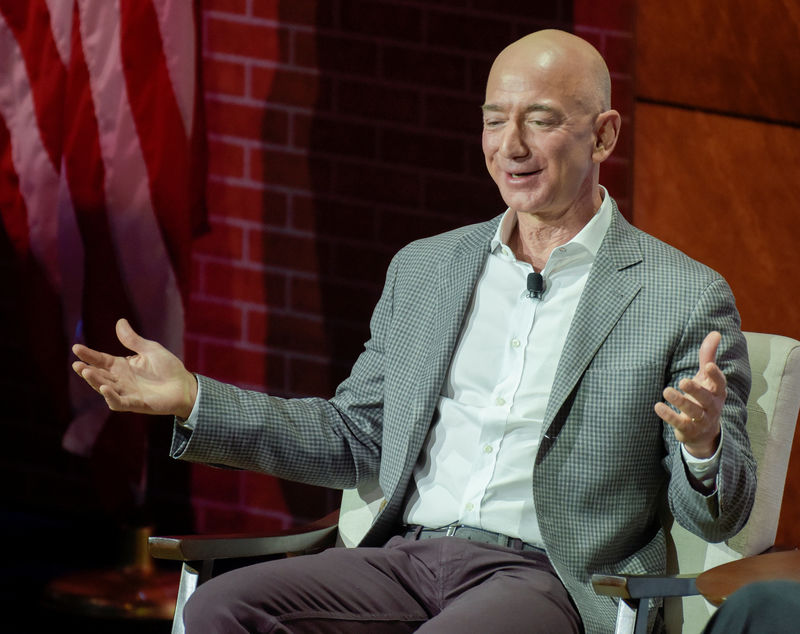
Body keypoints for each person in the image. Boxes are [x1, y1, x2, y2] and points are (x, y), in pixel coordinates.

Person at [72, 29, 756, 633]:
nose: (510, 145)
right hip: (402, 557)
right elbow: (354, 438)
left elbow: (719, 517)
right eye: (494, 120)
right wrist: (193, 397)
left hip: (546, 581)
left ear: (602, 134)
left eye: (540, 120)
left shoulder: (682, 296)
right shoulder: (427, 269)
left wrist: (701, 446)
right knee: (218, 611)